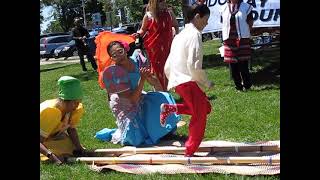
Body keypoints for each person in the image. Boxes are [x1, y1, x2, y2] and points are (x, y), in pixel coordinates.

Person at [95, 41, 180, 146]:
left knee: (162, 97)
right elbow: (131, 100)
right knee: (136, 138)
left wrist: (150, 78)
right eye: (114, 55)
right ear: (112, 58)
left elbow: (156, 85)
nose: (119, 56)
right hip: (123, 102)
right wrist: (142, 79)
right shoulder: (115, 72)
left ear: (126, 50)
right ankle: (119, 132)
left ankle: (163, 130)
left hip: (138, 95)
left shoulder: (137, 61)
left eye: (120, 51)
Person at [160, 4, 213, 157]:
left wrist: (173, 79)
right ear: (197, 16)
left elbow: (168, 64)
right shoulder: (194, 34)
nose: (207, 23)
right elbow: (194, 63)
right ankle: (190, 150)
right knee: (200, 114)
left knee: (205, 107)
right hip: (188, 80)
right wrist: (206, 83)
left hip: (179, 80)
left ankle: (170, 108)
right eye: (206, 19)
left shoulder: (180, 35)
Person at [133, 0, 179, 91]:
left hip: (168, 46)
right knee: (157, 68)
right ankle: (160, 91)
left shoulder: (169, 13)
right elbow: (143, 29)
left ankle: (166, 89)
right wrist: (137, 34)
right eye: (160, 1)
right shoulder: (149, 16)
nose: (163, 3)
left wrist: (176, 36)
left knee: (168, 66)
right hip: (154, 48)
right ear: (154, 3)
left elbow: (176, 25)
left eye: (164, 1)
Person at [40, 76, 86, 164]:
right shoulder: (51, 111)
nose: (77, 105)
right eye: (74, 102)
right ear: (64, 101)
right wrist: (51, 156)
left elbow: (71, 129)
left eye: (78, 102)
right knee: (59, 153)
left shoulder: (73, 110)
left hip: (51, 137)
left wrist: (79, 147)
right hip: (42, 140)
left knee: (72, 149)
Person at [220, 0, 254, 91]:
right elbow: (223, 23)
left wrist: (245, 32)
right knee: (233, 64)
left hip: (242, 38)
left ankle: (247, 85)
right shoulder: (223, 8)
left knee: (243, 63)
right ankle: (238, 86)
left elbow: (250, 22)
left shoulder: (246, 7)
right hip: (229, 39)